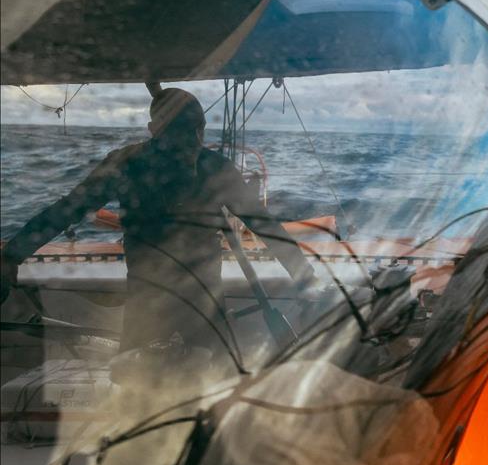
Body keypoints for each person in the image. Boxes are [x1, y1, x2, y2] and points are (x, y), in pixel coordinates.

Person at [0, 88, 319, 369]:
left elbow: (65, 210)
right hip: (195, 302)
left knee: (137, 385)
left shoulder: (125, 163)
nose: (190, 140)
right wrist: (305, 279)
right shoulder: (214, 168)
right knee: (210, 385)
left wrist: (12, 255)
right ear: (199, 130)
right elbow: (265, 226)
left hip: (156, 302)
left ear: (153, 128)